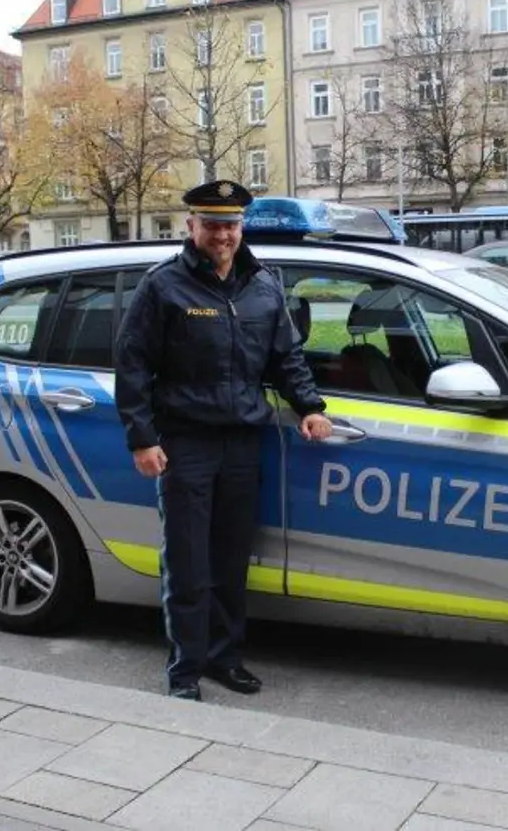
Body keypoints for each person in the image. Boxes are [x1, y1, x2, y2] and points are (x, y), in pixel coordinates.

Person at [113, 179, 333, 702]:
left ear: (242, 228)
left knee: (232, 560)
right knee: (189, 562)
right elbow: (132, 363)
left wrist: (310, 405)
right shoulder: (163, 285)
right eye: (211, 224)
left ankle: (224, 657)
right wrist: (142, 438)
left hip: (242, 443)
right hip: (186, 442)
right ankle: (185, 669)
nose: (222, 235)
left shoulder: (262, 284)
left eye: (231, 224)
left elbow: (286, 356)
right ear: (191, 226)